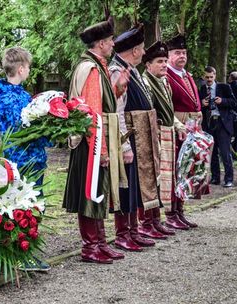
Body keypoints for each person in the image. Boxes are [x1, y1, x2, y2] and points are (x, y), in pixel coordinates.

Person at [63, 16, 129, 263]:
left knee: (99, 193)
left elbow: (103, 99)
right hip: (91, 143)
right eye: (111, 40)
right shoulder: (91, 69)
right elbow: (92, 113)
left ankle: (100, 242)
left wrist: (118, 89)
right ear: (101, 43)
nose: (113, 44)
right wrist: (100, 150)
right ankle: (90, 247)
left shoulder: (97, 65)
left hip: (96, 142)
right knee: (91, 194)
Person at [0, 47, 51, 271]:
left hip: (34, 157)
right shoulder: (8, 97)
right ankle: (22, 254)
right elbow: (21, 128)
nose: (29, 71)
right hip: (22, 158)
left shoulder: (22, 94)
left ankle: (27, 250)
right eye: (28, 67)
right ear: (20, 68)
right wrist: (44, 123)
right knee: (24, 208)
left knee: (36, 205)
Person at [109, 23, 160, 251]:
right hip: (129, 136)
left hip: (139, 137)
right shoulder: (117, 71)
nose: (144, 50)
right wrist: (124, 143)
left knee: (135, 186)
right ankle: (122, 233)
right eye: (142, 47)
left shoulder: (132, 69)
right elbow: (117, 110)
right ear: (136, 50)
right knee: (125, 186)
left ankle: (133, 229)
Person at [142, 40, 186, 235]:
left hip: (168, 134)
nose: (164, 65)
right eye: (159, 61)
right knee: (154, 180)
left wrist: (178, 124)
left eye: (165, 61)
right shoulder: (146, 83)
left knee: (165, 180)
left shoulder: (164, 81)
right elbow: (151, 112)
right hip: (157, 135)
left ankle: (158, 219)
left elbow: (168, 111)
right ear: (148, 64)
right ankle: (148, 221)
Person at [164, 33, 202, 226]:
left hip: (191, 127)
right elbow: (166, 106)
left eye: (184, 53)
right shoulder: (167, 76)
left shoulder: (187, 75)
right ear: (169, 55)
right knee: (175, 170)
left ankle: (180, 210)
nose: (182, 56)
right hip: (177, 128)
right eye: (178, 52)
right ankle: (171, 214)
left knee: (186, 170)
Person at [199, 66, 236, 188]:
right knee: (212, 152)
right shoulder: (202, 89)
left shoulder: (224, 87)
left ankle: (229, 178)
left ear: (215, 76)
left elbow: (234, 102)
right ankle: (215, 177)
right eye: (207, 77)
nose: (209, 79)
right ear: (204, 77)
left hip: (222, 122)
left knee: (225, 152)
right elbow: (197, 106)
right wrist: (202, 104)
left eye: (211, 77)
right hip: (209, 123)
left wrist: (223, 101)